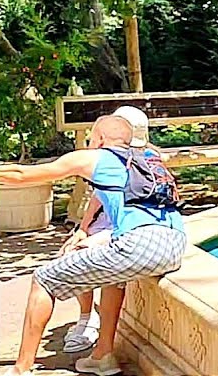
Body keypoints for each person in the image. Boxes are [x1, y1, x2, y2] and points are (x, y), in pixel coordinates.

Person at [0, 114, 187, 376]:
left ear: (99, 139)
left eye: (90, 138)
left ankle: (21, 369)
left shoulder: (97, 157)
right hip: (175, 244)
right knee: (113, 276)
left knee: (43, 279)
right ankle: (102, 357)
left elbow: (22, 175)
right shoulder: (148, 158)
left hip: (139, 245)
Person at [60, 106, 154, 354]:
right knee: (75, 250)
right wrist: (82, 229)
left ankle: (100, 336)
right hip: (108, 223)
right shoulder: (109, 160)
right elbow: (98, 197)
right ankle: (86, 317)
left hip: (131, 226)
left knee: (100, 261)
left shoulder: (149, 160)